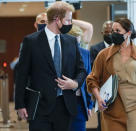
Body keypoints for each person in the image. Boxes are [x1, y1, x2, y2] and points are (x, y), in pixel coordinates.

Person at [15, 2, 86, 131]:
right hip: (39, 106)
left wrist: (75, 84)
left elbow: (81, 70)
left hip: (65, 106)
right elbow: (21, 75)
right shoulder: (31, 41)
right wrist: (20, 104)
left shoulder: (71, 42)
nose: (70, 24)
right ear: (57, 19)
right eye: (68, 20)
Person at [86, 18, 136, 131]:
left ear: (128, 33)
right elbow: (92, 80)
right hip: (113, 106)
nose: (113, 34)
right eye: (112, 31)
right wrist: (99, 98)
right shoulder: (103, 55)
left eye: (117, 31)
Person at [68, 20, 94, 131]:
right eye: (73, 37)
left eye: (78, 37)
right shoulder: (59, 53)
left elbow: (88, 79)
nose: (76, 40)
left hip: (80, 102)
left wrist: (89, 104)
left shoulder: (85, 53)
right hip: (62, 102)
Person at [89, 20, 113, 131]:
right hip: (101, 91)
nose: (109, 34)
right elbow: (93, 71)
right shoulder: (95, 49)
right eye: (107, 31)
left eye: (112, 31)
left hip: (118, 91)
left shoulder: (121, 48)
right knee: (102, 124)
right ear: (102, 33)